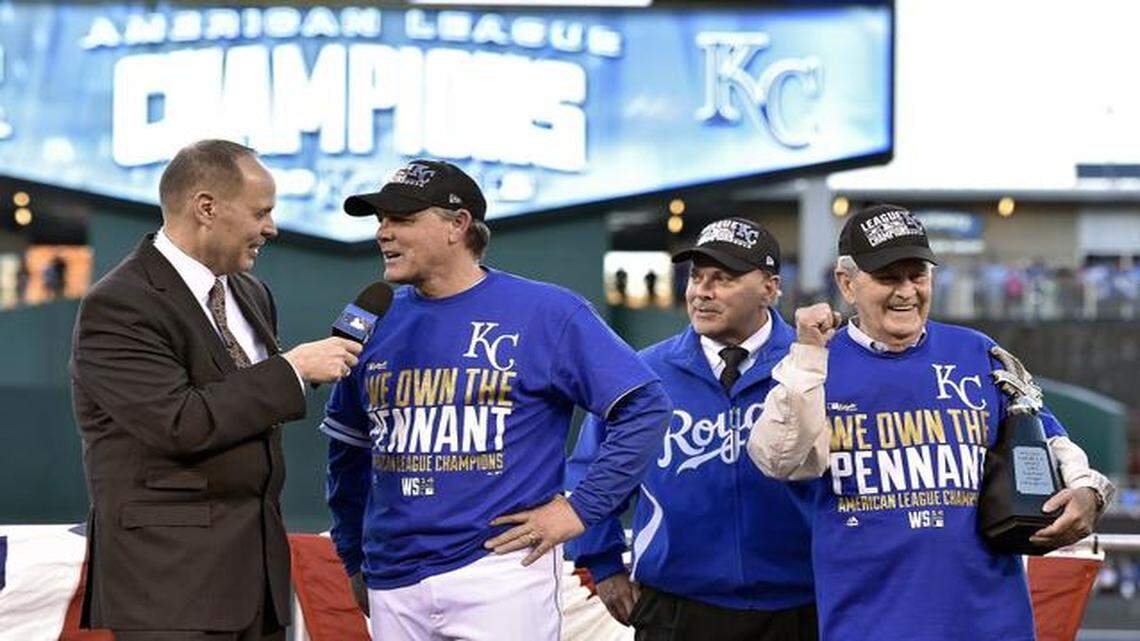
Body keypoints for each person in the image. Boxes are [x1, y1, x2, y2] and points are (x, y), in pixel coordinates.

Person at [321, 159, 672, 641]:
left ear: (457, 225)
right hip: (392, 575)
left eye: (401, 219)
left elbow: (645, 405)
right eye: (380, 220)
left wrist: (580, 508)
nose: (383, 232)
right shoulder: (371, 321)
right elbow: (347, 454)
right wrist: (353, 557)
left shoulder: (546, 311)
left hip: (501, 569)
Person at [747, 204, 1116, 641]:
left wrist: (1090, 491)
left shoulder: (979, 353)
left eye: (917, 275)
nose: (906, 292)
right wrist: (808, 356)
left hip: (993, 626)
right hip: (868, 627)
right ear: (847, 284)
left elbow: (1050, 439)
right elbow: (778, 459)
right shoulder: (812, 365)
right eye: (888, 277)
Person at [70, 139, 362, 640]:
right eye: (261, 212)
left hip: (254, 583)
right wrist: (292, 371)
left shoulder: (249, 292)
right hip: (169, 587)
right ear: (206, 207)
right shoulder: (119, 304)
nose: (270, 228)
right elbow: (178, 423)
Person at [567, 217, 817, 641]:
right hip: (676, 607)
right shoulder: (643, 373)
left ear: (770, 288)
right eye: (697, 276)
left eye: (723, 278)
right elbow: (589, 474)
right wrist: (602, 564)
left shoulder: (811, 368)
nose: (702, 291)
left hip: (799, 606)